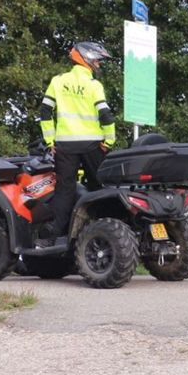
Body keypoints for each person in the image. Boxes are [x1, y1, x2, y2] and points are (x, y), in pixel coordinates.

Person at [37, 41, 116, 247]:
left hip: (64, 145)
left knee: (65, 191)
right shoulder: (93, 85)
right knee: (101, 188)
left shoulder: (58, 81)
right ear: (86, 58)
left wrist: (49, 141)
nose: (99, 64)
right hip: (92, 145)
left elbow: (45, 112)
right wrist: (109, 141)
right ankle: (105, 233)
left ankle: (52, 239)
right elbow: (106, 115)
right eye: (98, 60)